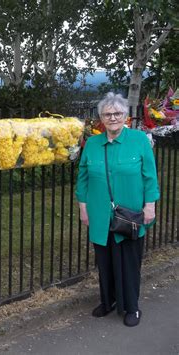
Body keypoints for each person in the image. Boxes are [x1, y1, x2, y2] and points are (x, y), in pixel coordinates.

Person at [76, 92, 159, 327]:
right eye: (107, 114)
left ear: (125, 117)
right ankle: (109, 300)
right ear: (101, 118)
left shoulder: (139, 140)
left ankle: (132, 306)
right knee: (105, 262)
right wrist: (83, 207)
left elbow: (149, 176)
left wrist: (150, 205)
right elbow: (82, 178)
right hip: (100, 214)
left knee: (129, 262)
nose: (113, 117)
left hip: (130, 213)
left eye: (117, 113)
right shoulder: (92, 144)